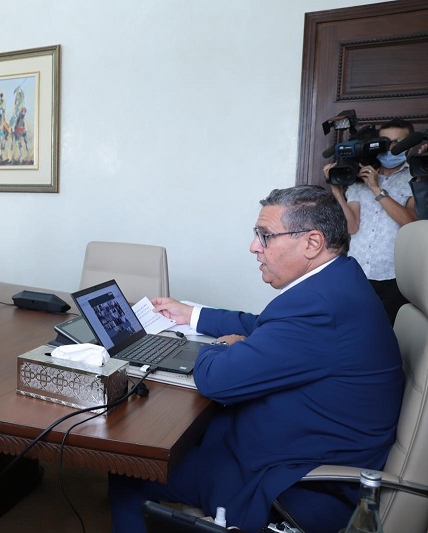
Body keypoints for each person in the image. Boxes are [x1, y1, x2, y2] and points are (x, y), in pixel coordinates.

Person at [108, 185, 403, 533]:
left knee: (132, 469)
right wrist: (192, 315)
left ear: (312, 243)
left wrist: (221, 347)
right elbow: (264, 326)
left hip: (288, 482)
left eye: (265, 236)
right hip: (296, 447)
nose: (254, 246)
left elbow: (216, 379)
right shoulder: (339, 279)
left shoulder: (318, 306)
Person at [326, 119, 418, 324]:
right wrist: (338, 192)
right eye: (386, 141)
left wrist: (377, 189)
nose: (391, 148)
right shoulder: (359, 178)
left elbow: (410, 222)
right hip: (358, 272)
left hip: (394, 274)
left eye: (398, 142)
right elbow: (352, 227)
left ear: (409, 145)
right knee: (356, 328)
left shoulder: (415, 178)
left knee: (392, 332)